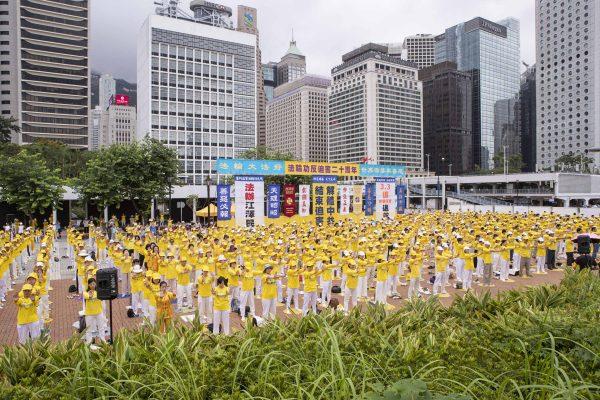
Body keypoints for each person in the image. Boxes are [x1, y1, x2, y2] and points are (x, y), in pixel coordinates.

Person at [83, 278, 106, 344]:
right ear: (88, 285)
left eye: (93, 284)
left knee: (101, 328)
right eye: (90, 284)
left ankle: (103, 340)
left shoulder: (99, 291)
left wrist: (93, 294)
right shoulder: (85, 292)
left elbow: (101, 297)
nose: (92, 285)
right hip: (89, 314)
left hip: (99, 312)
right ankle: (89, 342)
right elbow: (87, 296)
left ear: (96, 284)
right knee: (88, 329)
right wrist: (90, 295)